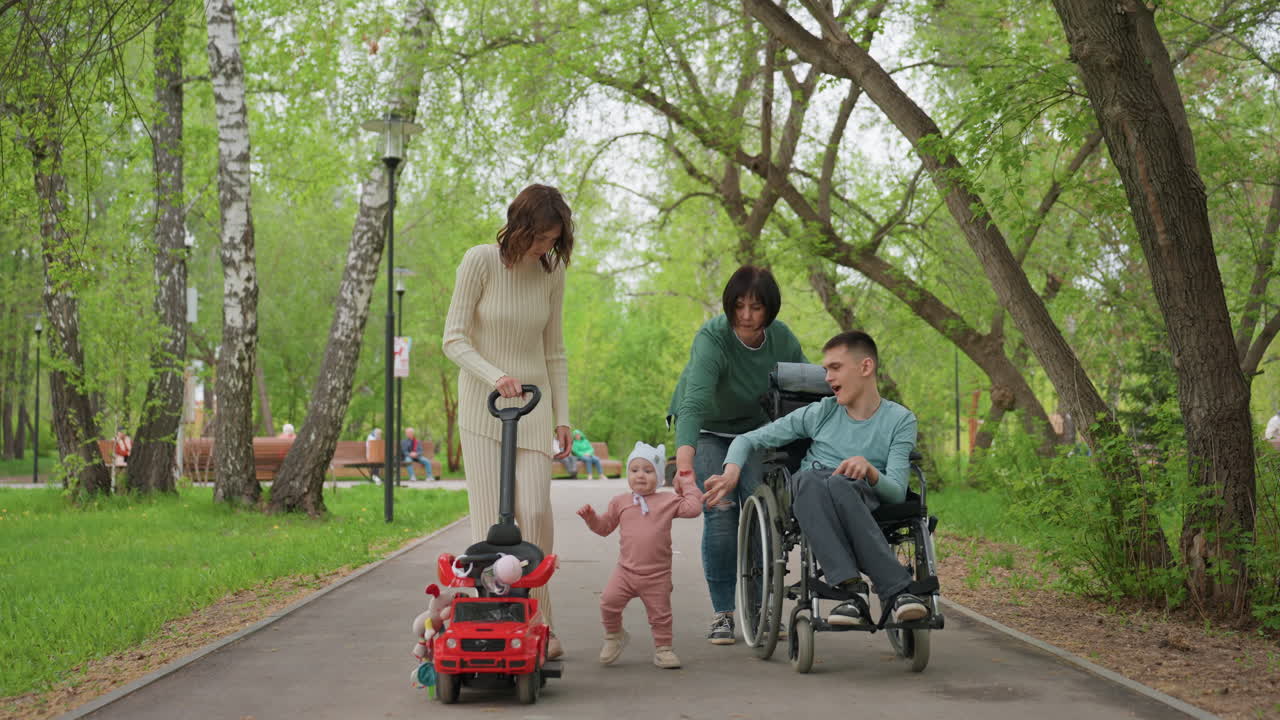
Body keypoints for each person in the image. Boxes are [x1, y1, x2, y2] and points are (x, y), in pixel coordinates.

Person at [703, 331, 929, 627]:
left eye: (835, 368)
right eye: (825, 370)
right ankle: (892, 590)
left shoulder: (900, 420)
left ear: (865, 367)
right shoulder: (821, 412)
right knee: (809, 480)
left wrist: (871, 472)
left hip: (862, 495)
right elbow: (747, 440)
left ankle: (850, 594)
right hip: (812, 493)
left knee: (836, 483)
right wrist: (731, 471)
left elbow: (897, 493)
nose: (827, 378)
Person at [442, 184, 575, 660]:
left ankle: (541, 624)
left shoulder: (552, 271)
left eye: (552, 240)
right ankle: (490, 623)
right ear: (518, 227)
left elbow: (554, 349)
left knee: (535, 513)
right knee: (489, 525)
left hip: (533, 411)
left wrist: (564, 417)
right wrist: (496, 378)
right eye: (539, 238)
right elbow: (454, 340)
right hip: (485, 409)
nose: (544, 248)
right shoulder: (479, 261)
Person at [667, 265, 806, 645]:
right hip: (710, 429)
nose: (746, 316)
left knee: (763, 510)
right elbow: (694, 402)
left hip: (757, 432)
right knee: (722, 510)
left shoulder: (783, 340)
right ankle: (723, 613)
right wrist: (684, 469)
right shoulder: (713, 337)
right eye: (739, 306)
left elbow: (804, 394)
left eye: (756, 308)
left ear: (770, 310)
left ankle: (761, 609)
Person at [577, 442, 703, 669]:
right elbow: (604, 528)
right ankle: (614, 636)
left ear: (659, 475)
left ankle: (663, 649)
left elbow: (694, 509)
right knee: (608, 602)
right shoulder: (620, 502)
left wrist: (688, 484)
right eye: (634, 470)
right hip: (625, 571)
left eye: (648, 470)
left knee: (660, 615)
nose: (640, 476)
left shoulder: (667, 500)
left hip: (657, 574)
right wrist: (591, 519)